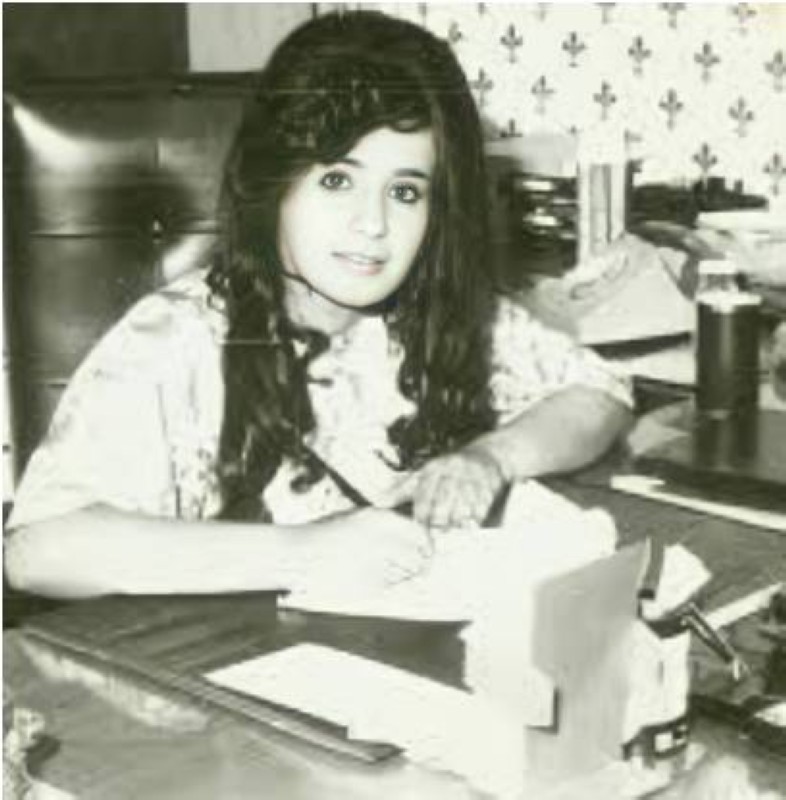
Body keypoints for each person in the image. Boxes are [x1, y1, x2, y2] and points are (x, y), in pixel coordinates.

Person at [5, 11, 632, 600]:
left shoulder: (424, 309)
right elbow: (37, 550)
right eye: (337, 180)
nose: (373, 223)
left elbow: (599, 393)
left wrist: (489, 459)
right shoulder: (177, 338)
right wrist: (302, 552)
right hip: (224, 662)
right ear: (272, 184)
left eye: (406, 192)